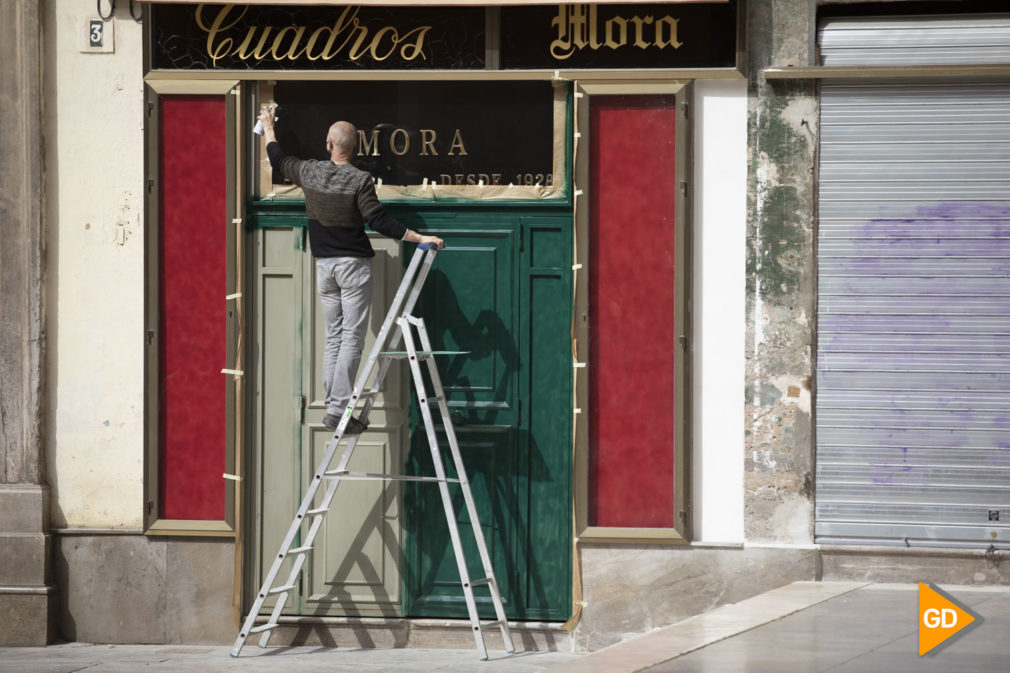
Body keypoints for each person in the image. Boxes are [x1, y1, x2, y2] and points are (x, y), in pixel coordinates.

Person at [257, 105, 444, 434]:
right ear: (354, 147)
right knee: (352, 339)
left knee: (334, 337)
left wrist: (268, 127)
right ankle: (340, 409)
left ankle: (334, 405)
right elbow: (378, 220)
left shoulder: (310, 172)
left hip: (325, 267)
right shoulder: (360, 179)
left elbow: (278, 158)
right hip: (353, 267)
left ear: (329, 144)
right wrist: (418, 237)